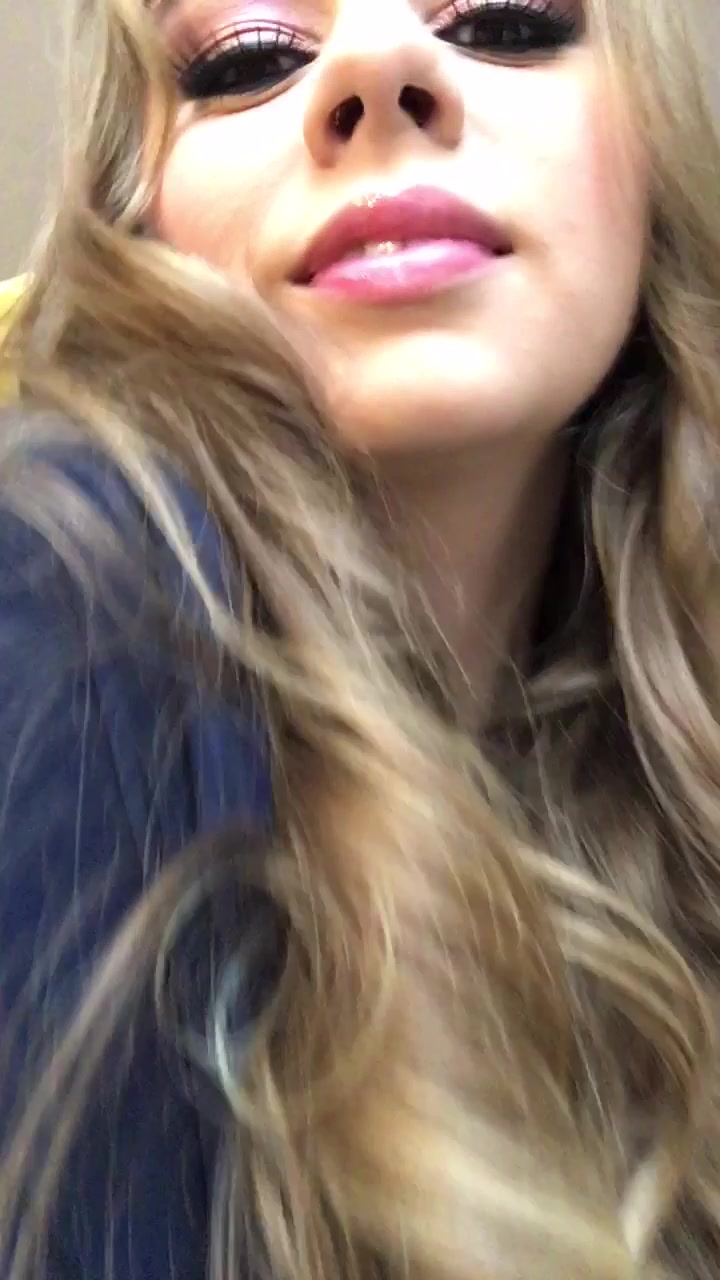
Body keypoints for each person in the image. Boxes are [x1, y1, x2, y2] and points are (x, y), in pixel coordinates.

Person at [0, 0, 718, 1277]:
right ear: (135, 223)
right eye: (250, 55)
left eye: (506, 21)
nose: (382, 62)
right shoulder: (67, 588)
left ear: (658, 157)